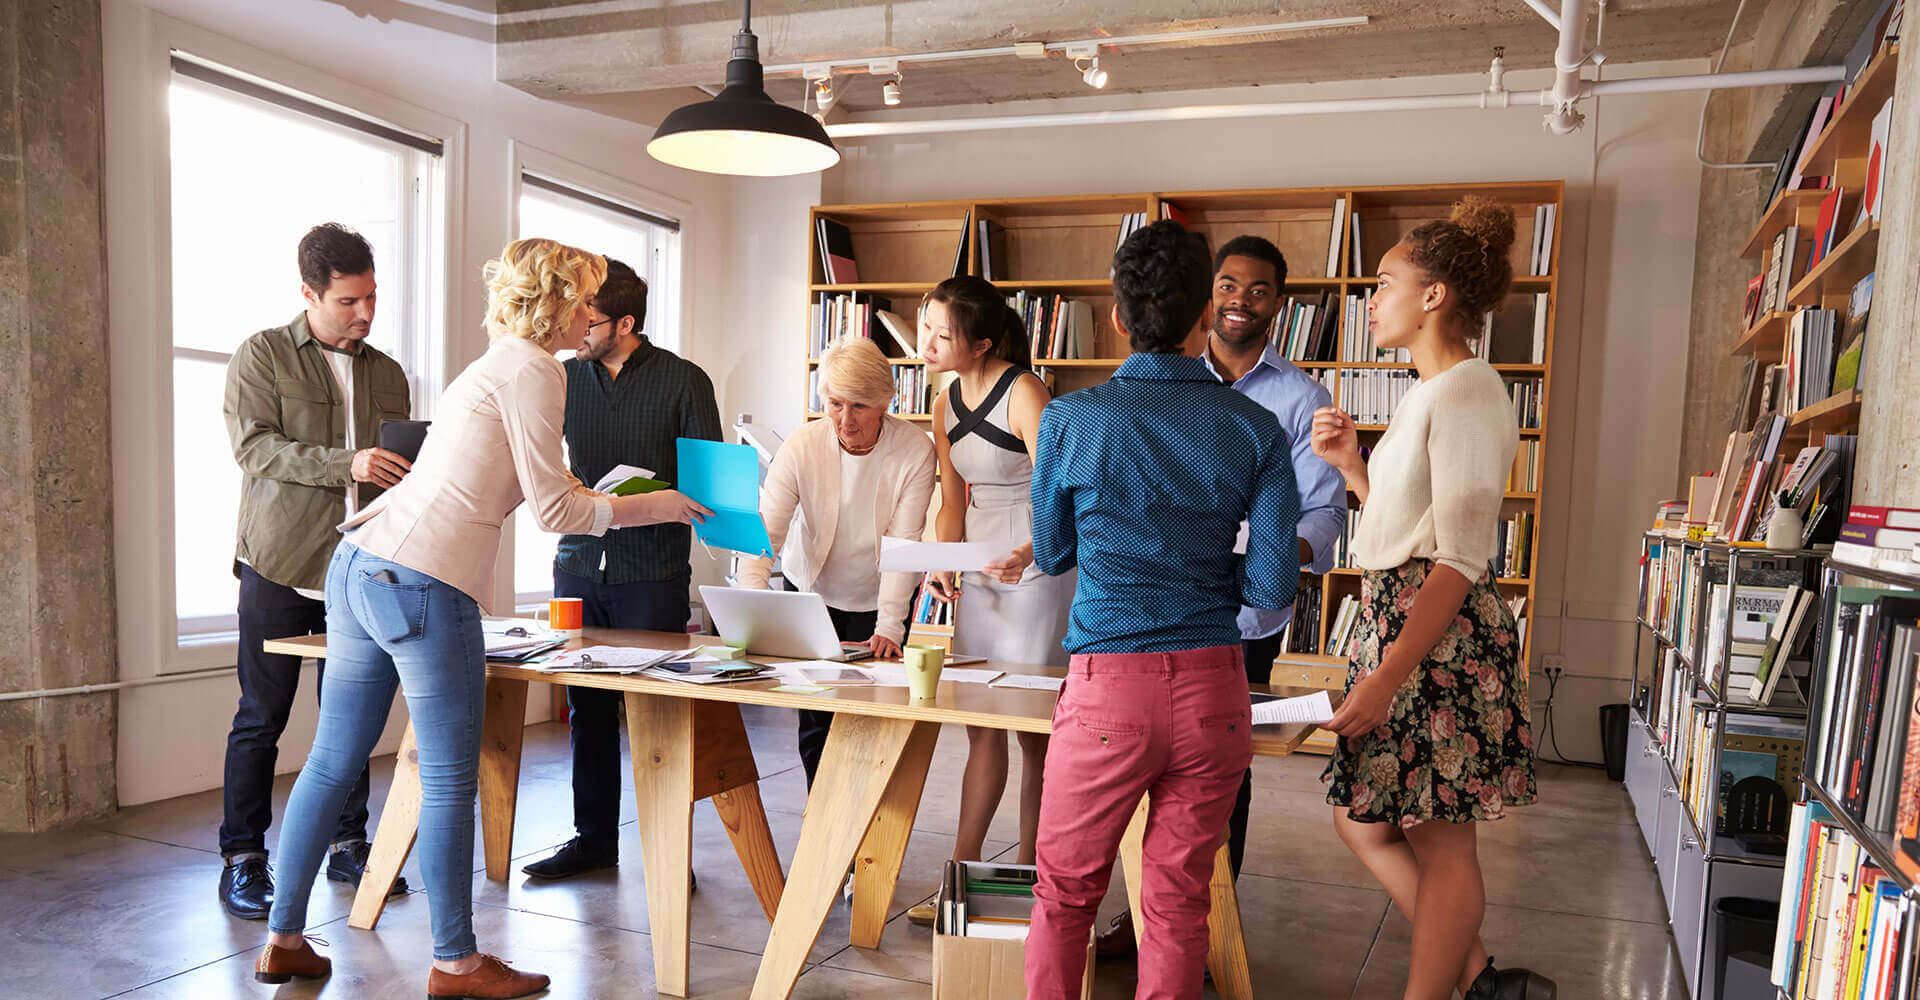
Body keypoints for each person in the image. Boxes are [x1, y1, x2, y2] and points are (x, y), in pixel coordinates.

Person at [252, 239, 711, 998]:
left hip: (362, 560)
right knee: (446, 778)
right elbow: (555, 509)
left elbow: (527, 479)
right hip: (424, 578)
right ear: (558, 305)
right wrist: (655, 505)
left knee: (332, 760)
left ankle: (284, 940)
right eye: (584, 299)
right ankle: (458, 963)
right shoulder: (537, 371)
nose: (591, 313)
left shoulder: (499, 361)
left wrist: (587, 490)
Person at [1023, 220, 1300, 1000]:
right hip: (1215, 691)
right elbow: (1270, 590)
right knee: (1179, 900)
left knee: (1066, 894)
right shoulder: (1257, 429)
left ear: (1118, 317)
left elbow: (1051, 551)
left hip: (1108, 690)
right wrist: (1199, 561)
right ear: (1204, 316)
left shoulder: (1070, 420)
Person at [1310, 198, 1554, 1000]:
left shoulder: (1467, 391)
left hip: (1440, 642)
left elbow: (1458, 558)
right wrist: (1353, 469)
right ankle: (1480, 980)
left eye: (1384, 283)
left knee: (1442, 843)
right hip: (1408, 629)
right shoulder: (1429, 392)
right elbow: (1405, 526)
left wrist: (1386, 677)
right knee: (1365, 820)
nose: (1370, 299)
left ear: (1434, 295)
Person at [1097, 234, 1349, 956]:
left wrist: (1264, 554)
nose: (1242, 301)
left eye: (1259, 289)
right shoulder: (1147, 382)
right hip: (1150, 610)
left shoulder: (1301, 400)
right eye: (1229, 286)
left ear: (1280, 303)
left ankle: (1200, 932)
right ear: (1206, 300)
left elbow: (1322, 512)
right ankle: (1145, 922)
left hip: (1244, 618)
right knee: (1136, 764)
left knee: (1219, 778)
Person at [217, 222, 415, 920]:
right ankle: (244, 858)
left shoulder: (388, 373)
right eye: (348, 301)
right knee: (261, 716)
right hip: (278, 563)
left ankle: (348, 843)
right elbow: (254, 449)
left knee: (350, 718)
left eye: (372, 298)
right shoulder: (263, 355)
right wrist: (347, 464)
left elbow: (399, 470)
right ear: (309, 293)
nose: (364, 313)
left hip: (361, 568)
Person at [520, 257, 723, 882]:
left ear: (625, 323)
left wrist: (659, 498)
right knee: (586, 710)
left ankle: (670, 854)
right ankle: (593, 842)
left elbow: (709, 484)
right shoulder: (562, 377)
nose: (578, 328)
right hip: (578, 564)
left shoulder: (685, 381)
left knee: (659, 716)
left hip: (653, 570)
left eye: (591, 319)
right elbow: (540, 464)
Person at [904, 276, 1075, 926]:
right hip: (980, 568)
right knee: (980, 725)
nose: (926, 343)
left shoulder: (1025, 392)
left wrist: (1029, 553)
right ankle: (962, 876)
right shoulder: (943, 402)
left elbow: (1060, 493)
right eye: (924, 328)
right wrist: (941, 564)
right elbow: (953, 501)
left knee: (1034, 731)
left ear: (979, 343)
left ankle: (1032, 885)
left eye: (941, 334)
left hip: (1038, 567)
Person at [737, 337, 936, 787]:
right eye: (835, 403)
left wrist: (890, 625)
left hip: (880, 593)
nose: (846, 420)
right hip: (813, 588)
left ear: (885, 401)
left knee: (875, 714)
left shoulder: (914, 450)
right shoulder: (803, 445)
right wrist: (750, 609)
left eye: (859, 406)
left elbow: (904, 542)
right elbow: (765, 533)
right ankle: (820, 814)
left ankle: (866, 819)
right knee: (817, 718)